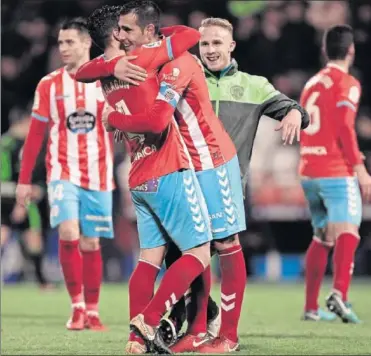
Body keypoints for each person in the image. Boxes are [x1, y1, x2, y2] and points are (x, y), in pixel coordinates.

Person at [105, 16, 310, 353]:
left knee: (226, 244)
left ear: (231, 46)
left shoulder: (253, 84)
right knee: (187, 253)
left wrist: (294, 113)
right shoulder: (178, 69)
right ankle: (196, 327)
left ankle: (227, 336)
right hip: (185, 172)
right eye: (205, 43)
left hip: (222, 171)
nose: (211, 49)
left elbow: (295, 109)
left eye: (217, 43)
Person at [77, 2, 214, 354]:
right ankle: (150, 319)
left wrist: (110, 62)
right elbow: (191, 35)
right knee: (199, 253)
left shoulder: (103, 75)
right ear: (114, 35)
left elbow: (82, 71)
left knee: (148, 259)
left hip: (137, 175)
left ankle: (135, 341)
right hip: (166, 167)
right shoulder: (143, 58)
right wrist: (153, 33)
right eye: (121, 30)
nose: (125, 34)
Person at [15, 18, 114, 331]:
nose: (64, 48)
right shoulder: (49, 84)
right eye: (60, 43)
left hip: (98, 173)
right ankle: (77, 306)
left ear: (86, 44)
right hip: (61, 171)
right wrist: (24, 180)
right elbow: (35, 135)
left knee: (91, 242)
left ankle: (94, 310)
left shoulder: (106, 80)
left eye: (70, 42)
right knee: (68, 232)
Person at [299, 24, 371, 323]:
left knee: (322, 236)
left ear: (324, 50)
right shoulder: (348, 83)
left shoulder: (311, 84)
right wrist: (361, 170)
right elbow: (345, 126)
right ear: (351, 50)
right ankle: (339, 295)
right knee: (348, 231)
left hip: (308, 171)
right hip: (335, 171)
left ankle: (310, 308)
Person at [1, 107, 52, 289]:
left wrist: (37, 189)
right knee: (7, 235)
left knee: (33, 236)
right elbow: (5, 179)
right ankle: (42, 282)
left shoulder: (24, 144)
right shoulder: (7, 146)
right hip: (8, 200)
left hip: (21, 199)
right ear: (22, 122)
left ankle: (42, 281)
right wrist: (20, 199)